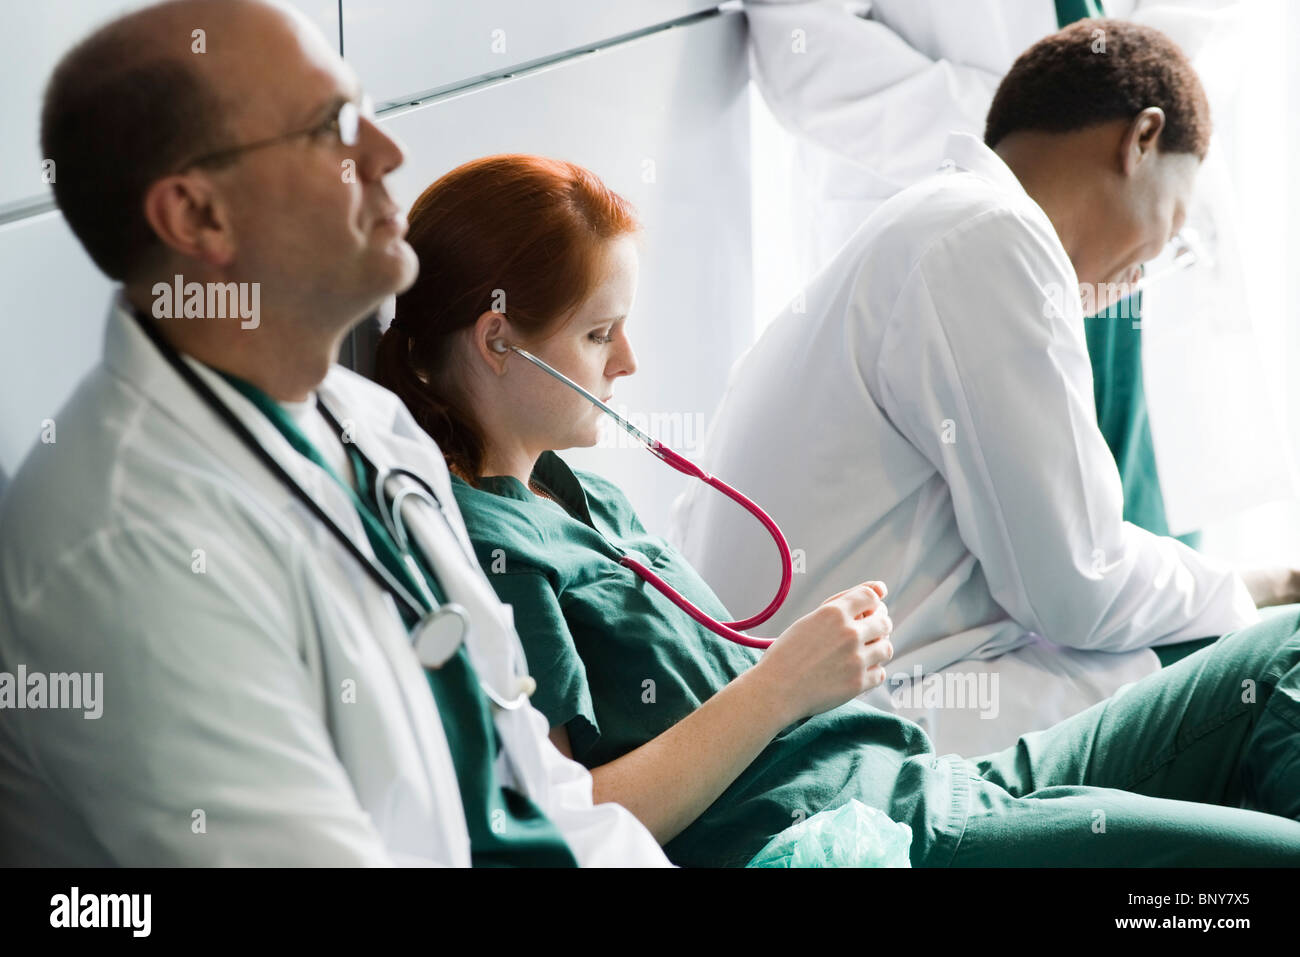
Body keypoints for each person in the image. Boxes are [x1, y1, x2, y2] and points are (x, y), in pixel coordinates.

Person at [374, 151, 1300, 868]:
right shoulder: (492, 551)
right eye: (599, 333)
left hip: (923, 777)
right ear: (500, 341)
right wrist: (784, 681)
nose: (629, 365)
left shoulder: (580, 491)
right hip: (875, 837)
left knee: (1283, 647)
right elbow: (574, 821)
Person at [0, 0, 669, 867]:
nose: (387, 153)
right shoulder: (127, 548)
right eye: (330, 128)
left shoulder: (370, 426)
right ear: (198, 217)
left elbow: (542, 793)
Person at [671, 18, 1300, 756]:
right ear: (1141, 140)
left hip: (779, 705)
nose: (1151, 269)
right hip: (838, 731)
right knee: (1247, 665)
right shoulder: (993, 239)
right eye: (1177, 222)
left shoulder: (938, 222)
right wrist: (1264, 584)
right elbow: (1078, 588)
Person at [743, 0, 1295, 546]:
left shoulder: (1142, 221)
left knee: (1139, 504)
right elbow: (801, 36)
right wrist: (1053, 136)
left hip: (1125, 215)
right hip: (976, 214)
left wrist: (1112, 104)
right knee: (1006, 533)